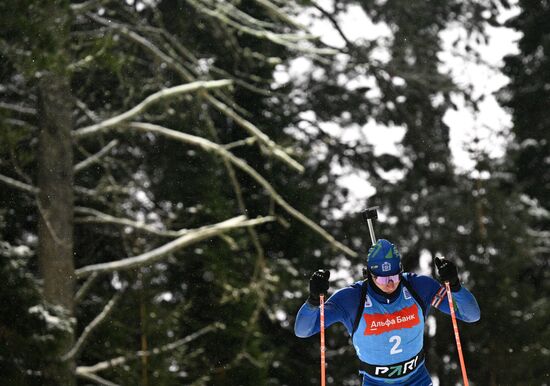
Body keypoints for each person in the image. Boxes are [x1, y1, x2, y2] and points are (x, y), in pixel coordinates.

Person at [294, 239, 480, 386]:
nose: (390, 284)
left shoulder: (418, 287)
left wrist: (455, 286)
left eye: (394, 276)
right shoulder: (352, 299)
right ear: (369, 274)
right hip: (375, 382)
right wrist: (312, 300)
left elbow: (471, 315)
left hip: (417, 380)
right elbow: (303, 330)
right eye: (382, 280)